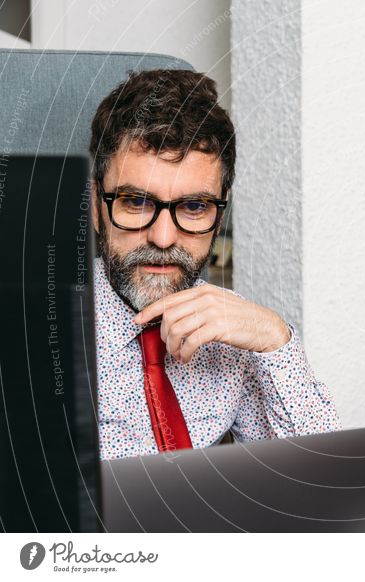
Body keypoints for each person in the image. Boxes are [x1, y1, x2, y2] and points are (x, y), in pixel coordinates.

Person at [90, 69, 340, 461]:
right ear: (95, 205)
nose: (163, 238)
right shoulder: (34, 331)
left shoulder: (228, 326)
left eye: (193, 207)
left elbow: (323, 479)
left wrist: (276, 339)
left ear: (219, 215)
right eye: (137, 202)